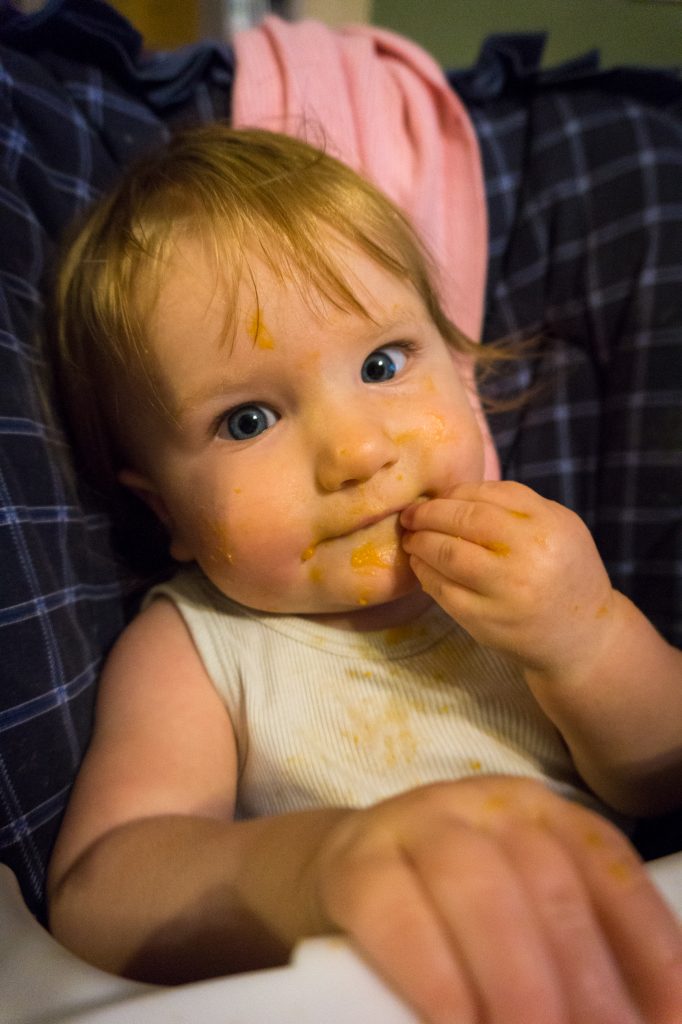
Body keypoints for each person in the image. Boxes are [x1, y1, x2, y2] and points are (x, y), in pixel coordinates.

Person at [46, 124, 682, 1024]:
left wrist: (587, 637)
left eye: (384, 364)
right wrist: (322, 867)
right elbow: (101, 886)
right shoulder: (200, 646)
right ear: (165, 513)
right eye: (248, 420)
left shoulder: (537, 569)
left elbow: (663, 776)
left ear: (464, 384)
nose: (355, 451)